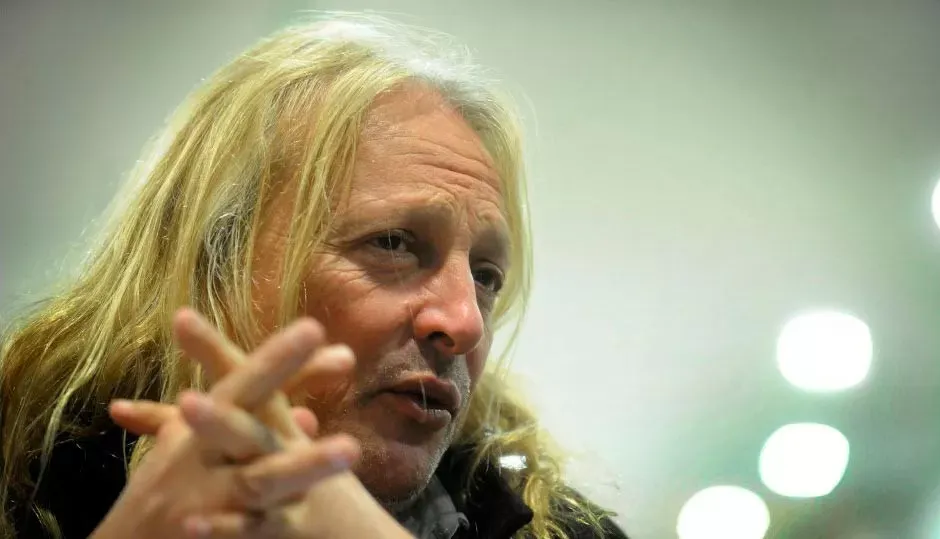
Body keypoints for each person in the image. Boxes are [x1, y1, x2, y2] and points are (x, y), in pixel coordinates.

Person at [0, 14, 626, 539]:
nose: (465, 322)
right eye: (393, 243)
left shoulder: (561, 527)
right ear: (212, 262)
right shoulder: (18, 483)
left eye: (486, 276)